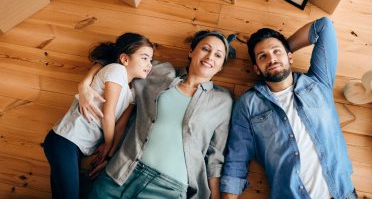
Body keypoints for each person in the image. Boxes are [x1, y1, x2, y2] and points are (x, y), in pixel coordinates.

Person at [79, 30, 234, 199]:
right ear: (191, 51)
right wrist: (84, 84)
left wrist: (216, 196)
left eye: (218, 55)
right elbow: (117, 56)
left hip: (169, 189)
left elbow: (215, 156)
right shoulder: (159, 72)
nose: (210, 56)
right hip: (121, 173)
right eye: (205, 49)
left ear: (221, 66)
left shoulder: (223, 101)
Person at [220, 17, 357, 199]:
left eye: (277, 52)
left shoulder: (319, 82)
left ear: (290, 56)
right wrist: (280, 53)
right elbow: (236, 160)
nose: (272, 59)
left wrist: (283, 49)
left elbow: (324, 26)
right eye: (263, 57)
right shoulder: (247, 104)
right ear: (256, 69)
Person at [43, 33, 154, 199]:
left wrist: (108, 154)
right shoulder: (116, 71)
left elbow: (120, 126)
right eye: (144, 58)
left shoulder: (132, 94)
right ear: (124, 59)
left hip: (77, 147)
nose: (149, 64)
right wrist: (108, 144)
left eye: (151, 60)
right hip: (65, 139)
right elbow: (107, 115)